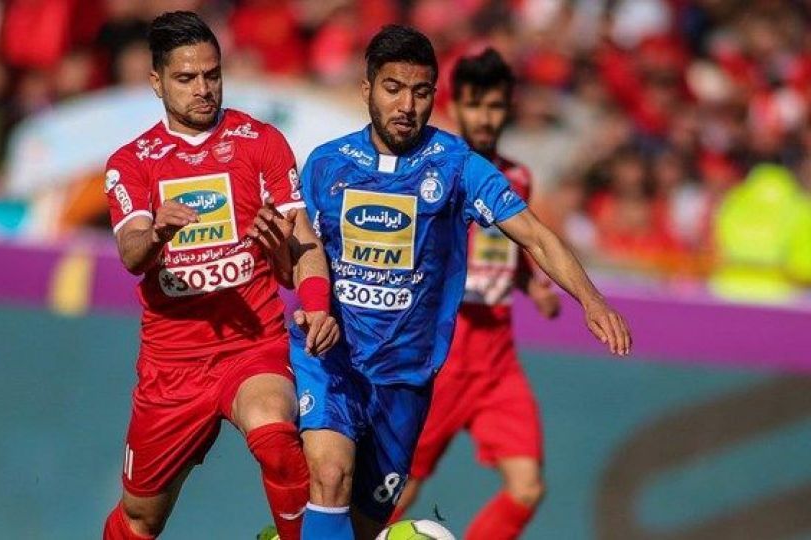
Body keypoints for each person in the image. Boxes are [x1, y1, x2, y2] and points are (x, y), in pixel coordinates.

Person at [275, 26, 631, 539]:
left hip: (406, 375)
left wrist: (591, 301)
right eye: (393, 88)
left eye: (420, 92)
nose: (407, 105)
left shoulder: (458, 165)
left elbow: (534, 234)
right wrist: (302, 291)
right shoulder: (326, 164)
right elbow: (299, 252)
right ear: (367, 89)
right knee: (330, 474)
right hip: (333, 359)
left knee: (363, 526)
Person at [101, 12, 338, 540]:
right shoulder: (132, 162)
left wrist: (317, 304)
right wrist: (157, 234)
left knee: (274, 433)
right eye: (187, 78)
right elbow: (131, 254)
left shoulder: (260, 141)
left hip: (252, 345)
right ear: (157, 82)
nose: (203, 89)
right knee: (141, 518)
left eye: (212, 75)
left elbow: (303, 239)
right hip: (172, 363)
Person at [390, 47, 559, 540]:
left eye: (495, 106)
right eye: (474, 105)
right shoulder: (429, 172)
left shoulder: (517, 178)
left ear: (508, 109)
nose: (485, 118)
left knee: (527, 487)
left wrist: (532, 284)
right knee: (398, 489)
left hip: (497, 359)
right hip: (441, 357)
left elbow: (510, 245)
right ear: (454, 106)